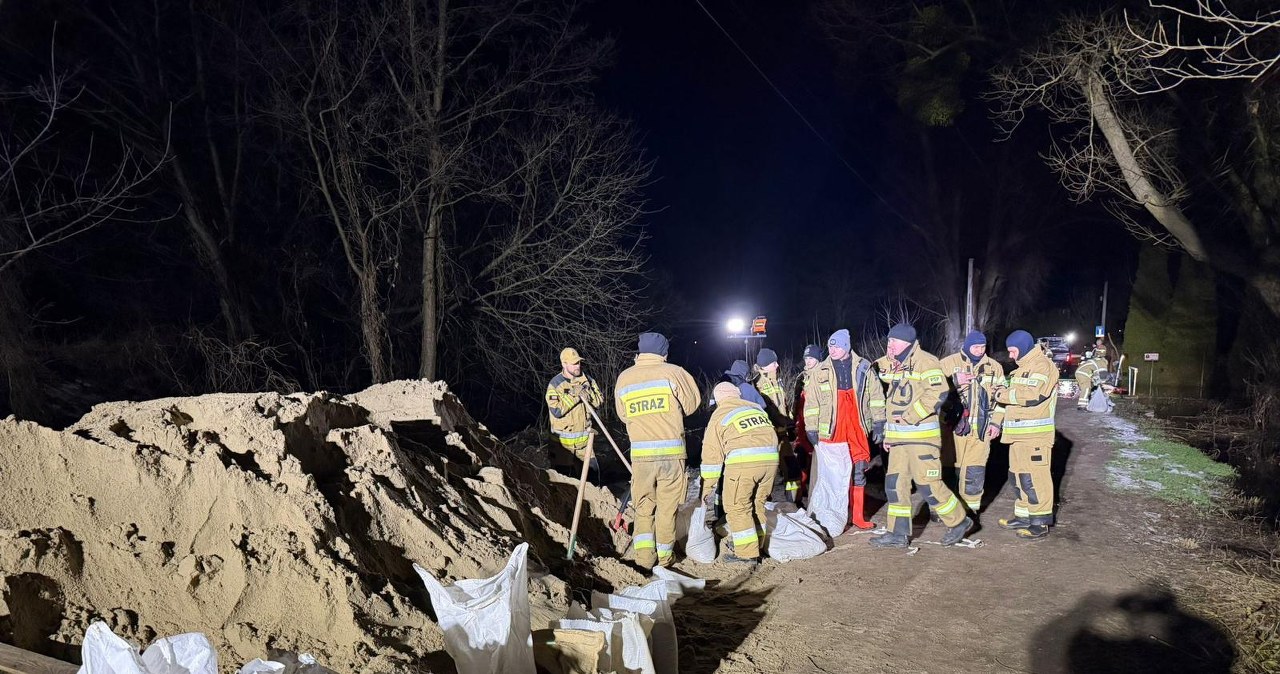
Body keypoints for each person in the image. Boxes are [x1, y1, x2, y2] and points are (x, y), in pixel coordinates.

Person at [871, 323, 972, 548]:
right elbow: (891, 402)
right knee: (895, 485)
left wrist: (910, 415)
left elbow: (938, 391)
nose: (889, 346)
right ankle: (897, 534)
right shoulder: (896, 364)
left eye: (892, 342)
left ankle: (959, 521)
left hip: (921, 438)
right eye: (888, 341)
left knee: (928, 484)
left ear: (906, 342)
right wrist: (889, 435)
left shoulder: (926, 361)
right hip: (898, 441)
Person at [615, 332, 702, 568]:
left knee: (643, 508)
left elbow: (622, 415)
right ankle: (665, 558)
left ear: (640, 352)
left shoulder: (624, 378)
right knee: (667, 508)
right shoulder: (674, 373)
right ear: (664, 353)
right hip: (671, 456)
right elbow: (692, 405)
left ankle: (644, 559)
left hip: (641, 458)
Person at [807, 329, 886, 536]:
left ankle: (858, 516)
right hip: (833, 430)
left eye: (837, 346)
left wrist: (879, 423)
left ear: (846, 346)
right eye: (830, 346)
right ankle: (835, 514)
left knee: (859, 472)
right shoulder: (820, 371)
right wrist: (811, 427)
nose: (832, 350)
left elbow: (876, 396)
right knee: (834, 475)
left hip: (857, 427)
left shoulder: (864, 368)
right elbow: (812, 403)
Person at [700, 382, 779, 565]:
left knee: (737, 507)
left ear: (718, 399)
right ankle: (759, 546)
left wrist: (706, 488)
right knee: (758, 504)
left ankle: (746, 554)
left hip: (744, 464)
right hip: (770, 461)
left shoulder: (720, 414)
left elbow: (712, 456)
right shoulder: (755, 408)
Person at [992, 330, 1061, 540]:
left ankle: (1039, 523)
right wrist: (996, 420)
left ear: (1022, 347)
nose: (1011, 356)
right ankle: (1023, 516)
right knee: (1018, 478)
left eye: (1013, 351)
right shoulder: (1020, 371)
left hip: (1035, 438)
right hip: (1017, 437)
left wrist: (1000, 393)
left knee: (1036, 479)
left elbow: (1033, 395)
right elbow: (1008, 402)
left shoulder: (1043, 366)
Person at [940, 331, 1004, 514]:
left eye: (983, 347)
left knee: (975, 471)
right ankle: (942, 510)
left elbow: (1002, 399)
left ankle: (970, 511)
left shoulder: (994, 367)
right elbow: (930, 389)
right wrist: (953, 381)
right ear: (967, 346)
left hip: (981, 430)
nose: (979, 350)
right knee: (948, 469)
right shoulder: (948, 363)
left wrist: (996, 423)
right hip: (951, 430)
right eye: (976, 347)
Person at [545, 348, 605, 472]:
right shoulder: (555, 385)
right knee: (565, 485)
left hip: (584, 446)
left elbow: (599, 402)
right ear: (564, 364)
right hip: (562, 448)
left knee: (594, 478)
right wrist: (575, 396)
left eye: (578, 362)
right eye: (574, 364)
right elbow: (556, 411)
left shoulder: (587, 380)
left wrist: (588, 394)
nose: (578, 366)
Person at [792, 344, 824, 502]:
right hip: (803, 429)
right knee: (801, 464)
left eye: (811, 357)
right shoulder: (801, 378)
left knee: (818, 467)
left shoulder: (824, 375)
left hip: (819, 428)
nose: (808, 361)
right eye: (806, 358)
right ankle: (797, 500)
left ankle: (816, 499)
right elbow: (796, 403)